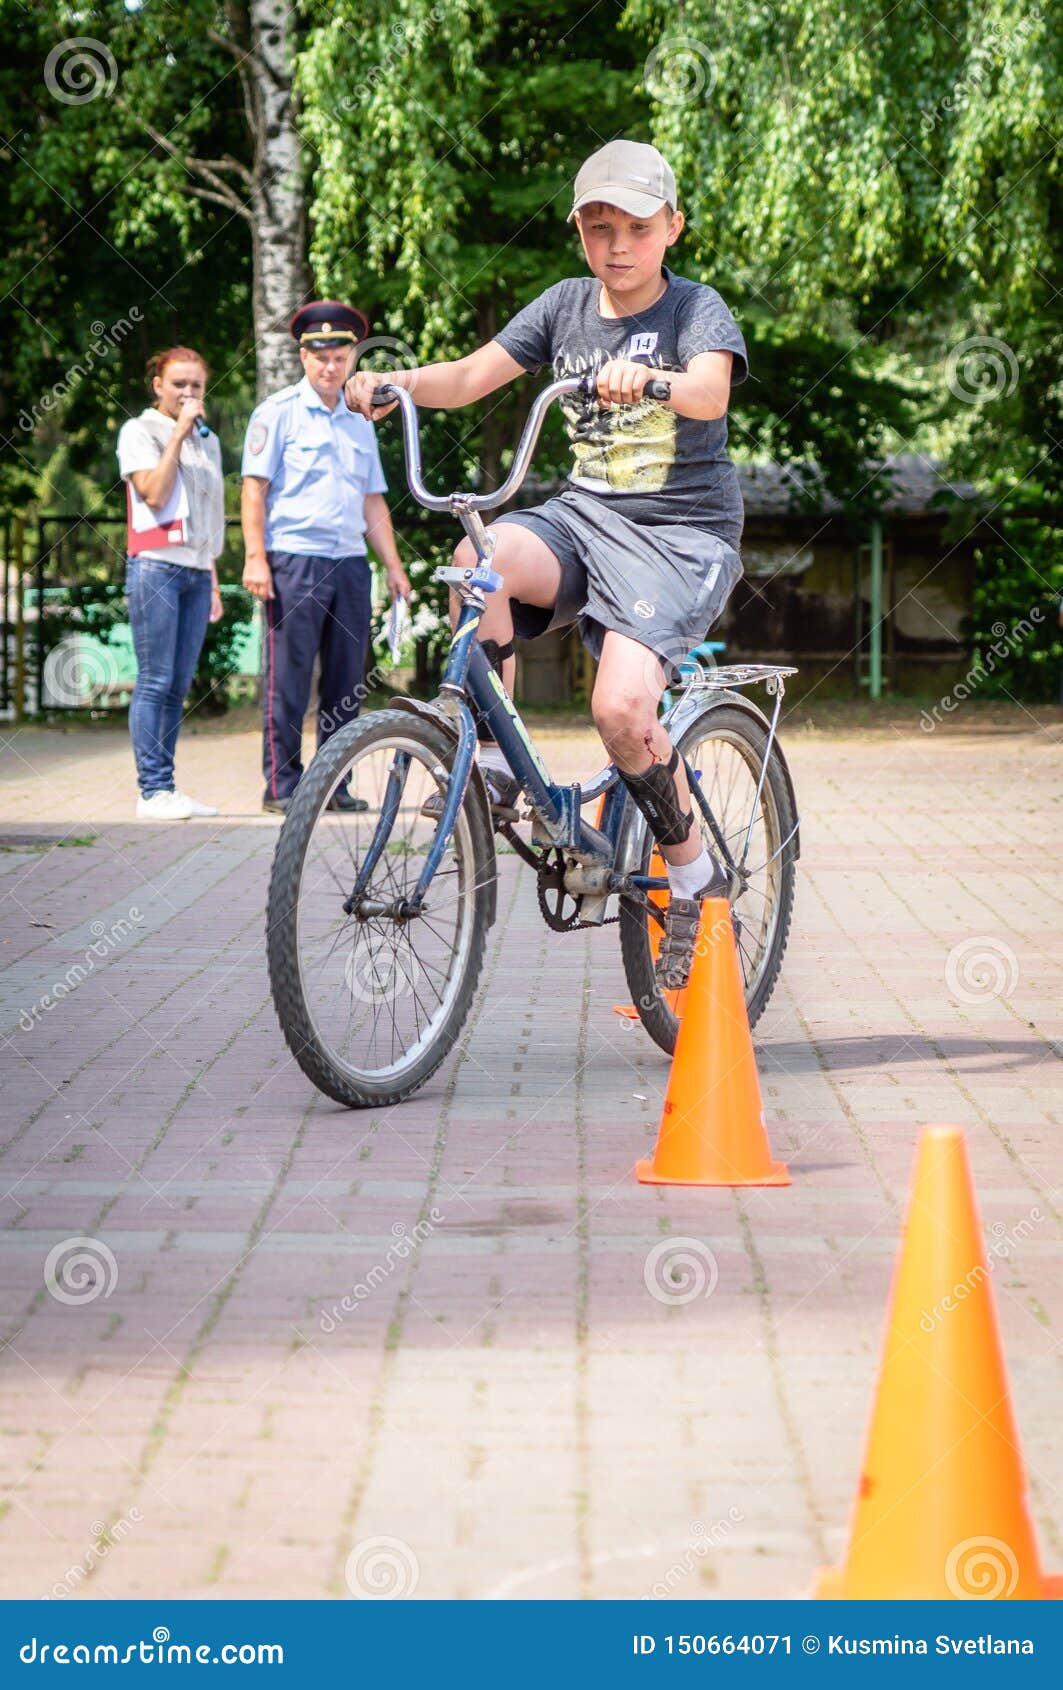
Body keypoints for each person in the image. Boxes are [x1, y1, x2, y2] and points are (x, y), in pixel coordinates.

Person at [347, 140, 748, 989]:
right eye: (599, 227)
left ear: (670, 227)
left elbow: (709, 392)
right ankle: (490, 763)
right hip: (583, 519)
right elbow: (466, 377)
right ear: (578, 232)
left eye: (637, 227)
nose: (618, 245)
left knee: (620, 709)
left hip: (679, 534)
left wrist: (646, 383)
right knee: (477, 553)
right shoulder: (565, 306)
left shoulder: (693, 312)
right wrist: (395, 383)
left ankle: (692, 881)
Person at [241, 300, 412, 814]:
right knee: (289, 677)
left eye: (339, 355)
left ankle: (333, 783)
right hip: (294, 560)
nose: (330, 365)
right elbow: (253, 491)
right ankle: (283, 786)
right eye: (319, 355)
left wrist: (395, 568)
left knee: (346, 681)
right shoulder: (277, 414)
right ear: (303, 357)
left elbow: (372, 500)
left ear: (352, 357)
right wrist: (254, 557)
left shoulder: (361, 420)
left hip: (349, 564)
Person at [117, 346, 224, 821]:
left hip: (197, 572)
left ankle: (167, 787)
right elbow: (155, 493)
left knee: (180, 684)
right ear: (158, 385)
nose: (187, 392)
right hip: (156, 567)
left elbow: (206, 516)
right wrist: (178, 433)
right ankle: (151, 790)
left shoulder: (211, 441)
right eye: (178, 383)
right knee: (156, 679)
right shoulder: (139, 431)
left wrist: (214, 580)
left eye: (196, 386)